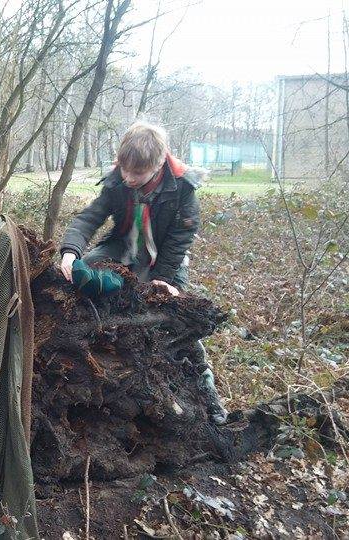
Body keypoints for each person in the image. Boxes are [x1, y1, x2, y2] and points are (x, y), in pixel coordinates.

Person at [58, 121, 228, 424]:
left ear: (159, 163)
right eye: (125, 170)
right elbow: (89, 219)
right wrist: (71, 252)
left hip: (166, 261)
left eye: (137, 173)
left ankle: (208, 394)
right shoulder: (117, 181)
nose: (129, 178)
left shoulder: (183, 188)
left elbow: (180, 238)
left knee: (179, 318)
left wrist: (162, 277)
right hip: (122, 249)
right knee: (80, 274)